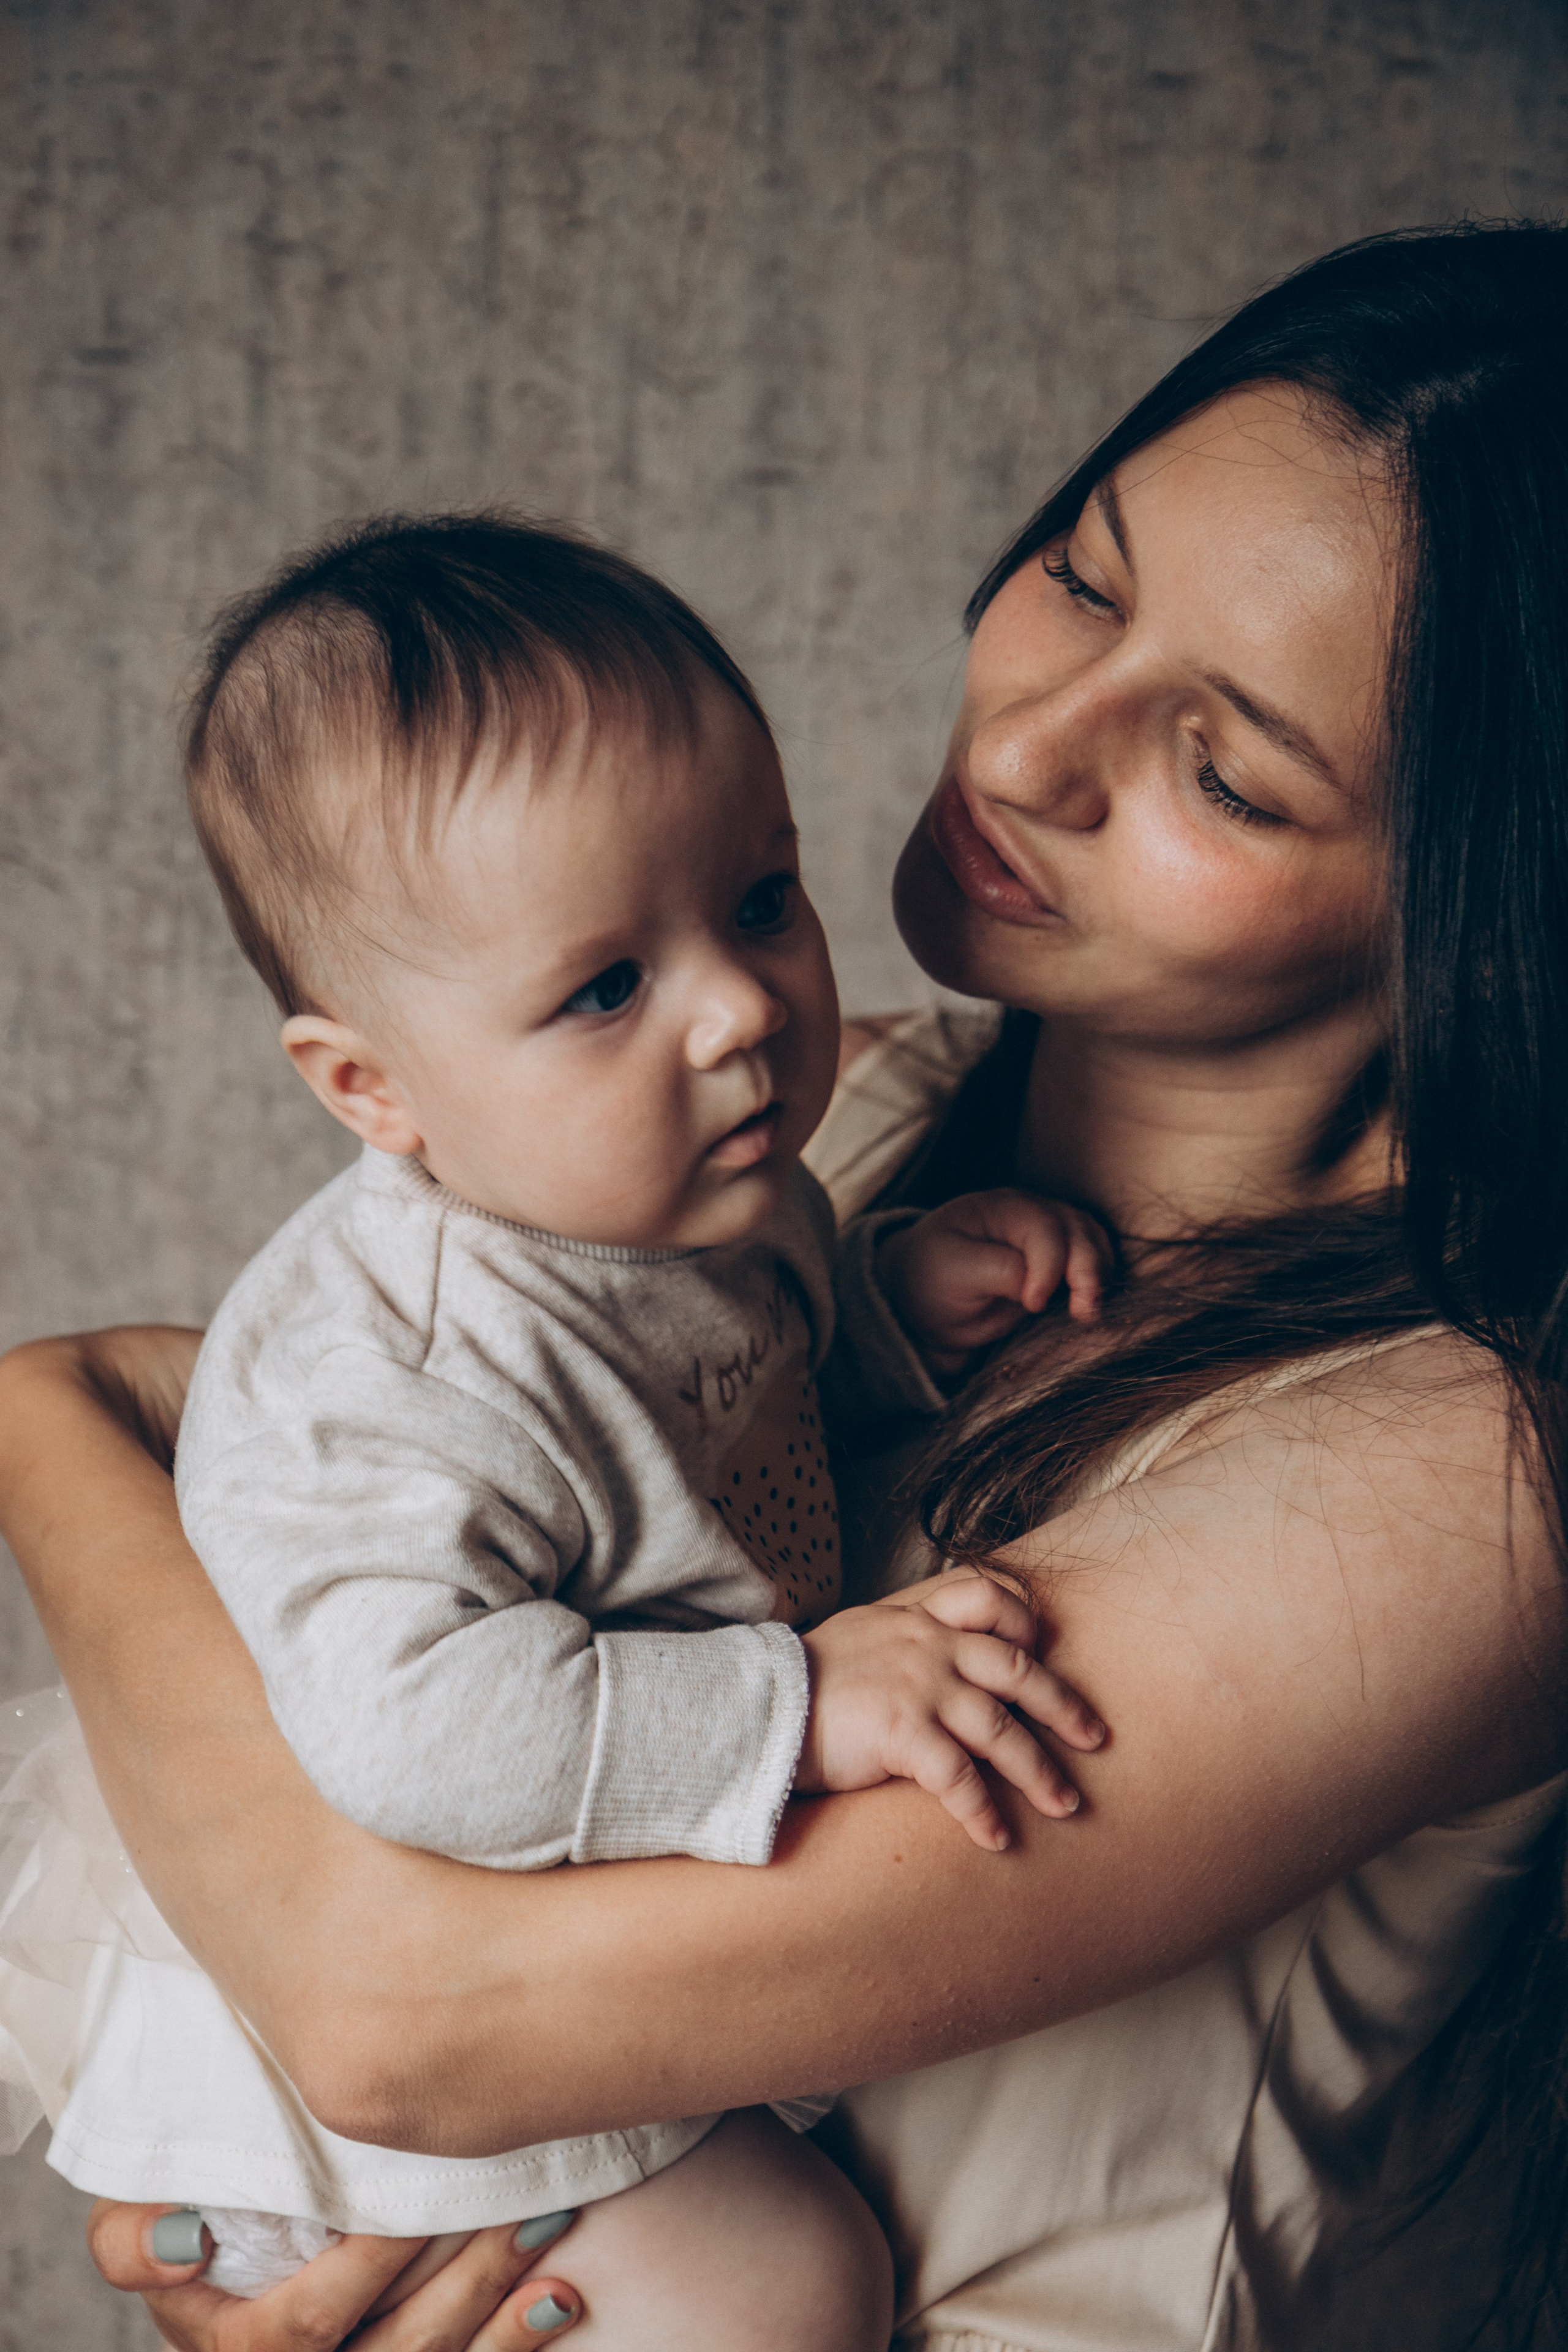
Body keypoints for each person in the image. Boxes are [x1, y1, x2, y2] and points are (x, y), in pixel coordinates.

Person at [2, 220, 1567, 2352]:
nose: (1027, 747)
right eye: (1086, 578)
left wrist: (341, 2070)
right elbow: (149, 1416)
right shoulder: (833, 1133)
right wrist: (300, 2151)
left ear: (1482, 905)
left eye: (1223, 766)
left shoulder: (1468, 1457)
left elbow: (400, 2011)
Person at [0, 516, 1112, 2333]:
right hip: (380, 1952)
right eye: (606, 987)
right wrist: (806, 1705)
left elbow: (718, 1444)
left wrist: (892, 1319)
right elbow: (418, 1728)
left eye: (761, 898)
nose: (743, 1007)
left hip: (539, 1900)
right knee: (785, 2284)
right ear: (371, 1088)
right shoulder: (402, 1380)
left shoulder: (706, 1190)